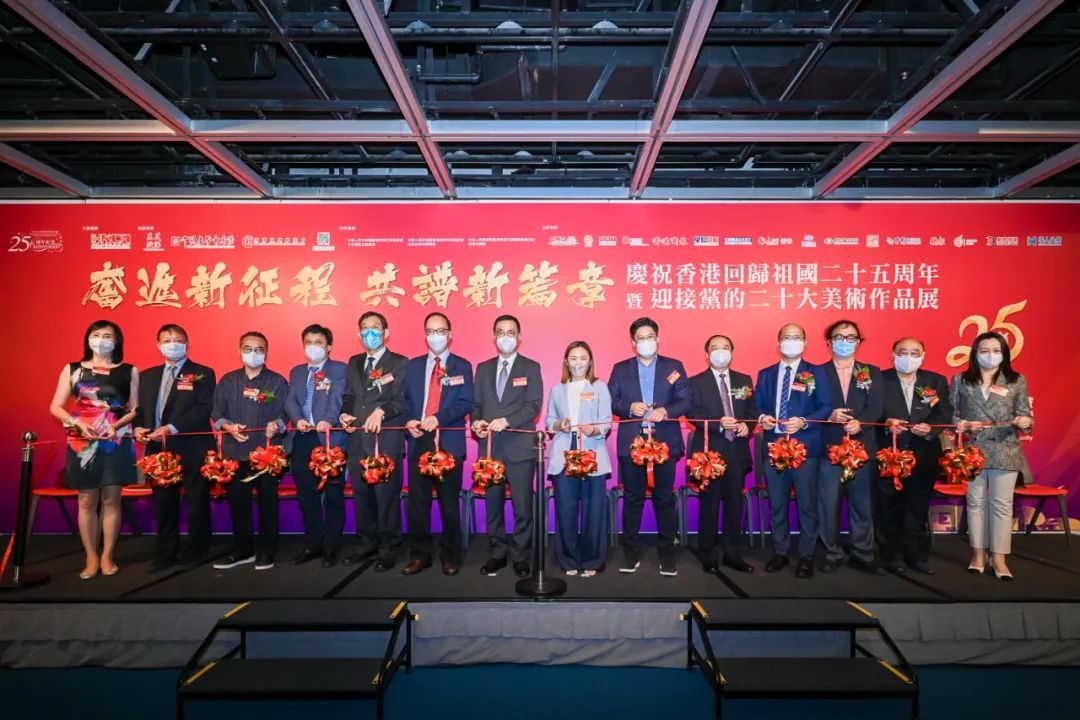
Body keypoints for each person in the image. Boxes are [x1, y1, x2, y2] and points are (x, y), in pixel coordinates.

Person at [49, 321, 139, 579]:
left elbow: (135, 409)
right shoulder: (73, 369)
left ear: (117, 341)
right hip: (82, 440)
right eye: (96, 335)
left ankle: (108, 555)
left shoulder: (129, 371)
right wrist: (76, 423)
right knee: (86, 500)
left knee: (112, 499)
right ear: (88, 339)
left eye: (108, 336)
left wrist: (116, 425)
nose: (101, 340)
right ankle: (90, 556)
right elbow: (56, 406)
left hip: (115, 439)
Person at [610, 317, 692, 577]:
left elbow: (686, 401)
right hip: (632, 443)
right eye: (641, 338)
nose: (646, 342)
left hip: (664, 441)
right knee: (633, 499)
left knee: (664, 499)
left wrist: (666, 411)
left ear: (657, 339)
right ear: (633, 343)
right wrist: (628, 407)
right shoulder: (620, 369)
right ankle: (631, 554)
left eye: (650, 337)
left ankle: (667, 555)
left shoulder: (674, 366)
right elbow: (611, 401)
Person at [949, 331, 1033, 580]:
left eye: (996, 350)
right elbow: (950, 415)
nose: (990, 355)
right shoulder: (961, 380)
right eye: (984, 350)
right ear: (975, 354)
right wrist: (963, 424)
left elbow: (1025, 415)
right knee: (975, 503)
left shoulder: (1016, 379)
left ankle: (999, 557)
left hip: (1005, 448)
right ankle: (977, 554)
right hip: (972, 451)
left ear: (1004, 353)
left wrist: (1025, 421)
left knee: (1002, 505)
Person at [134, 324, 216, 571]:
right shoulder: (147, 376)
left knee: (196, 500)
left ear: (187, 344)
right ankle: (165, 552)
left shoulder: (202, 373)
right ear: (158, 345)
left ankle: (196, 550)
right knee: (164, 502)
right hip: (159, 448)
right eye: (167, 340)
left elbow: (204, 407)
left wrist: (172, 427)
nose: (173, 344)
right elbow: (139, 410)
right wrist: (139, 428)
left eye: (178, 340)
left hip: (193, 444)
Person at [755, 323, 833, 579]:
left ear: (805, 342)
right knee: (777, 504)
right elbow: (757, 407)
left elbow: (826, 406)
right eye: (787, 337)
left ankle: (807, 555)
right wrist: (763, 418)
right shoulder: (766, 374)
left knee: (807, 505)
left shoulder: (817, 372)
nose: (791, 341)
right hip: (774, 446)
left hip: (805, 449)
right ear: (778, 343)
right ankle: (780, 551)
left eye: (796, 337)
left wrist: (804, 421)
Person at [403, 312, 475, 576]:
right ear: (425, 335)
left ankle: (450, 555)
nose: (436, 336)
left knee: (448, 504)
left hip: (449, 442)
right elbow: (404, 401)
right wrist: (410, 420)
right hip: (419, 440)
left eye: (441, 331)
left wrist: (438, 418)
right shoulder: (412, 366)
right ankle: (420, 555)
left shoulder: (462, 366)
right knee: (417, 504)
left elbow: (466, 402)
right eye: (431, 331)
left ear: (450, 334)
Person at [471, 314, 544, 577]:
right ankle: (497, 553)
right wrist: (476, 422)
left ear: (519, 337)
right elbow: (476, 404)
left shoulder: (531, 367)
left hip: (520, 448)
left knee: (523, 507)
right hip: (491, 450)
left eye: (511, 332)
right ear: (494, 337)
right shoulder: (483, 368)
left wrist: (507, 420)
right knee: (493, 506)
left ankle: (521, 555)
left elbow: (533, 406)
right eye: (500, 332)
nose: (505, 337)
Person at [210, 331, 288, 571]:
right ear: (239, 350)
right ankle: (243, 550)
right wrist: (228, 427)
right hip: (235, 452)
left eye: (259, 349)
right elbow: (216, 413)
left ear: (266, 352)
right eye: (248, 348)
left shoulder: (277, 381)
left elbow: (285, 413)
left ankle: (267, 550)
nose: (253, 353)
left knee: (268, 504)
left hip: (267, 453)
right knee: (238, 504)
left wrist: (277, 425)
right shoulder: (228, 380)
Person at [876, 337, 953, 575]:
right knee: (888, 507)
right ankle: (891, 555)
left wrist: (931, 428)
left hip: (923, 453)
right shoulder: (879, 379)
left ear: (923, 356)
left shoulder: (936, 380)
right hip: (889, 453)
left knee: (917, 507)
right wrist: (886, 422)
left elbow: (945, 412)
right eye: (903, 352)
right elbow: (870, 411)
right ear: (893, 355)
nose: (908, 357)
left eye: (914, 352)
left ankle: (916, 555)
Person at [340, 311, 408, 571]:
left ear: (386, 332)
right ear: (359, 335)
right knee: (362, 497)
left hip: (385, 440)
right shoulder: (354, 362)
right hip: (358, 440)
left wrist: (381, 412)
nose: (370, 332)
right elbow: (349, 396)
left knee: (386, 498)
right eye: (365, 328)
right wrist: (345, 414)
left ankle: (389, 548)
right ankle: (365, 545)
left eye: (375, 327)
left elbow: (401, 400)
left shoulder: (400, 363)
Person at [817, 320, 884, 574]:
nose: (845, 342)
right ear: (829, 342)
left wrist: (861, 423)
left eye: (851, 338)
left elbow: (877, 406)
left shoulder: (871, 372)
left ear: (858, 342)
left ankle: (862, 553)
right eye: (839, 337)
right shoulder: (817, 372)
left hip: (862, 448)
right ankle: (831, 552)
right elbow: (810, 405)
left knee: (862, 504)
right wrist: (829, 414)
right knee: (828, 504)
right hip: (829, 448)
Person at [687, 334, 755, 575]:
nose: (721, 351)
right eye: (715, 348)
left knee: (735, 505)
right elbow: (692, 414)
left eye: (725, 347)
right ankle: (708, 554)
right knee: (709, 505)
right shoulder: (695, 382)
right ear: (707, 355)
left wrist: (748, 425)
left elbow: (752, 410)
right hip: (709, 453)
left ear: (732, 352)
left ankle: (733, 555)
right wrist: (718, 423)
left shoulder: (744, 380)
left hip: (737, 450)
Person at [545, 341, 612, 577]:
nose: (578, 363)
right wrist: (558, 424)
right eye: (573, 358)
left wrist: (595, 430)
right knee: (566, 509)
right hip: (564, 452)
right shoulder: (557, 389)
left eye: (583, 358)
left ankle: (593, 559)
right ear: (566, 362)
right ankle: (568, 559)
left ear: (590, 362)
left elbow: (606, 420)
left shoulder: (600, 387)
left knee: (594, 510)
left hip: (593, 452)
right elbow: (549, 421)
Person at [284, 324, 348, 567]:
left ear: (329, 347)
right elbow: (290, 401)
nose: (313, 347)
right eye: (308, 342)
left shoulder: (338, 369)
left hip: (329, 438)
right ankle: (312, 545)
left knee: (333, 495)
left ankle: (331, 547)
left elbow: (337, 398)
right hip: (303, 437)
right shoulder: (297, 372)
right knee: (307, 496)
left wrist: (328, 420)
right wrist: (298, 419)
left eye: (318, 342)